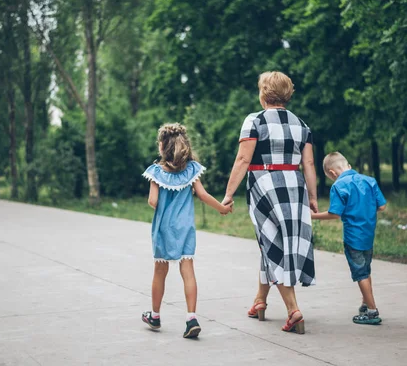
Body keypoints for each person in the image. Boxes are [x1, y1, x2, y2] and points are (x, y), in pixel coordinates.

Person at [222, 71, 318, 334]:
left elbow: (243, 160)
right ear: (288, 94)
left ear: (263, 93)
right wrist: (312, 197)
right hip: (294, 187)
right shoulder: (302, 125)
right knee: (279, 243)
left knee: (271, 243)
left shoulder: (254, 121)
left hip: (264, 185)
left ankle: (293, 310)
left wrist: (229, 193)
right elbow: (308, 163)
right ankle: (259, 301)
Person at [141, 123, 234, 339]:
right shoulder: (192, 169)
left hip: (163, 229)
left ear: (163, 147)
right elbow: (202, 195)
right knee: (188, 269)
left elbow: (152, 201)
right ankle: (191, 317)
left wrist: (161, 200)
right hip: (185, 228)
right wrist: (222, 208)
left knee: (160, 271)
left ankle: (154, 315)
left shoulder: (155, 172)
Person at [311, 152, 387, 325]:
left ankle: (372, 312)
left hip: (353, 237)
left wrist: (312, 216)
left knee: (360, 273)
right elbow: (381, 206)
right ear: (348, 166)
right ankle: (365, 303)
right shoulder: (370, 181)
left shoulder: (339, 186)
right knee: (366, 269)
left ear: (332, 173)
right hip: (369, 234)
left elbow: (334, 214)